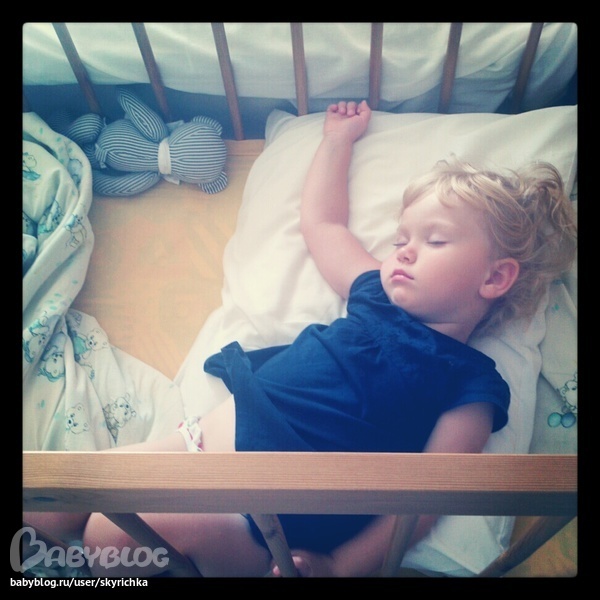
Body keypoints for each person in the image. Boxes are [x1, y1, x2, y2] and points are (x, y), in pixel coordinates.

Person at [24, 100, 577, 577]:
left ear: (494, 278)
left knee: (108, 538)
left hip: (266, 517)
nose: (404, 251)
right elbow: (323, 225)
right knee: (53, 494)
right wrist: (336, 141)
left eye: (434, 241)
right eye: (401, 238)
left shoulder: (472, 382)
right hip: (198, 443)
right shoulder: (375, 293)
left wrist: (342, 564)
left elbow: (426, 501)